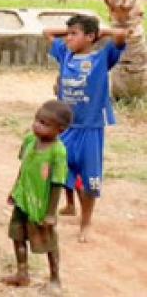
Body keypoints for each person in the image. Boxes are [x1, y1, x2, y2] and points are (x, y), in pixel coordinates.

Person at [43, 14, 127, 242]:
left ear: (91, 37)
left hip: (90, 128)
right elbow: (47, 33)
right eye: (68, 34)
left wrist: (100, 31)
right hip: (66, 127)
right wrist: (73, 32)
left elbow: (121, 35)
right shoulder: (65, 53)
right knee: (62, 167)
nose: (68, 38)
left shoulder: (103, 57)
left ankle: (86, 222)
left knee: (88, 178)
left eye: (74, 34)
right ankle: (68, 205)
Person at [2, 100, 73, 292]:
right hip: (23, 198)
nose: (37, 125)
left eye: (44, 123)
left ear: (60, 130)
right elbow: (23, 168)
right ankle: (22, 273)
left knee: (48, 241)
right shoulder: (29, 141)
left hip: (41, 206)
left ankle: (55, 279)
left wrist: (51, 213)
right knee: (17, 234)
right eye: (37, 120)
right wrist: (15, 189)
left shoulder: (58, 152)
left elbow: (57, 183)